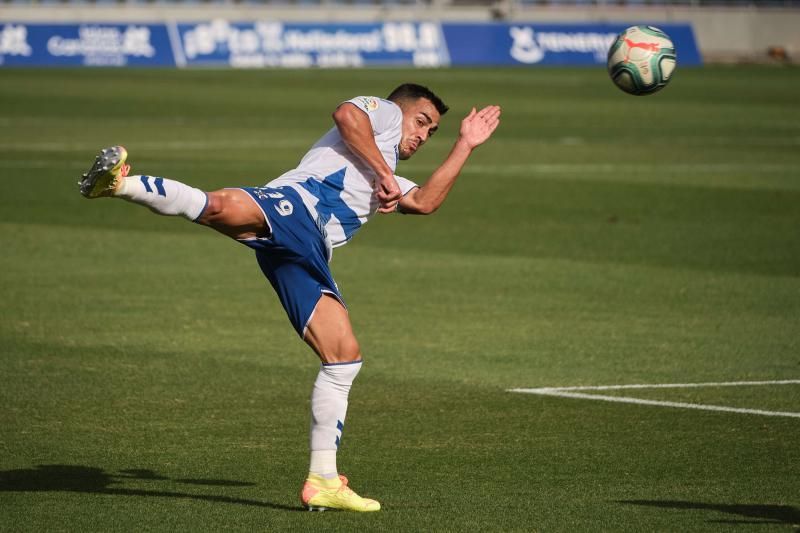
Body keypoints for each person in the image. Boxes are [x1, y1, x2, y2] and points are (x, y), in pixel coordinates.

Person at [78, 83, 501, 512]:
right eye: (422, 123)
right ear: (400, 111)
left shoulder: (387, 168)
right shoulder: (386, 118)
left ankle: (323, 479)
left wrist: (465, 144)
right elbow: (346, 115)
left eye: (432, 134)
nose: (423, 136)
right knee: (219, 208)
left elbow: (426, 202)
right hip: (296, 207)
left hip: (308, 249)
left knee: (343, 358)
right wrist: (386, 174)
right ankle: (118, 186)